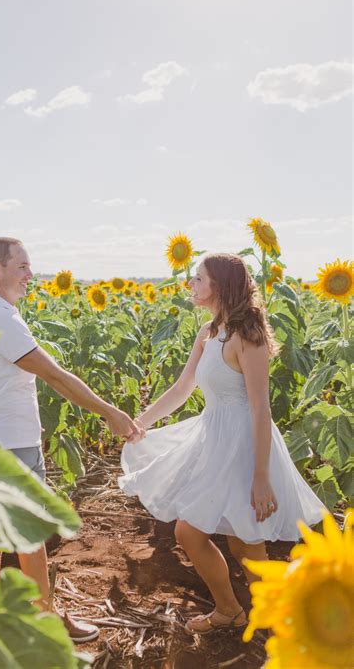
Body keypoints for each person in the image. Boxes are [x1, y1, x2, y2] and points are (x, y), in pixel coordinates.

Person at [119, 253, 326, 634]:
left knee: (231, 539)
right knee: (235, 539)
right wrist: (140, 422)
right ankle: (247, 613)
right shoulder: (209, 332)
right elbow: (182, 389)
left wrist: (261, 476)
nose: (191, 285)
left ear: (220, 286)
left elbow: (261, 410)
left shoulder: (249, 337)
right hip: (213, 440)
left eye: (198, 279)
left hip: (246, 447)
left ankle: (261, 618)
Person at [0, 237, 142, 643]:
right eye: (23, 266)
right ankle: (46, 618)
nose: (31, 275)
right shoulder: (1, 320)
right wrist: (111, 413)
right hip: (9, 444)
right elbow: (56, 376)